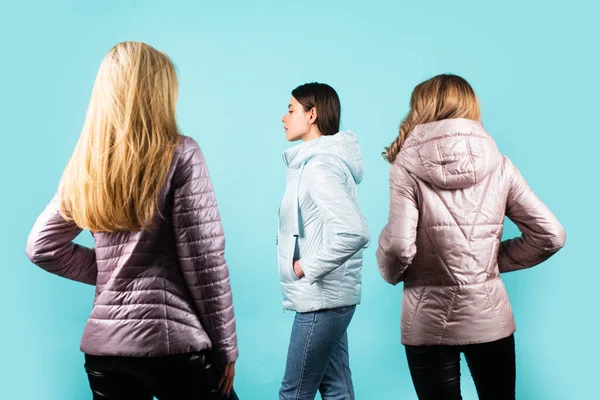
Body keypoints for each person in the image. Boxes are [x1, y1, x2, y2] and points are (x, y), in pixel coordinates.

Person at [25, 41, 239, 399]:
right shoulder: (181, 154)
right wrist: (226, 348)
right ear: (159, 93)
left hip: (103, 355)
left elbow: (41, 246)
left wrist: (114, 273)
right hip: (174, 348)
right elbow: (205, 263)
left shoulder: (88, 164)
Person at [376, 74, 566, 400]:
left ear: (421, 107)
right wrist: (487, 263)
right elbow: (551, 235)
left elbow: (397, 247)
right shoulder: (500, 164)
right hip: (489, 317)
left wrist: (390, 273)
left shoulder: (404, 166)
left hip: (426, 320)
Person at [277, 82, 370, 400]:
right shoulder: (316, 163)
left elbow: (354, 232)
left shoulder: (320, 167)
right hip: (330, 299)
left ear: (312, 114)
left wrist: (305, 266)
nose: (284, 118)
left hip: (321, 299)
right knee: (336, 389)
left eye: (291, 109)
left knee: (294, 394)